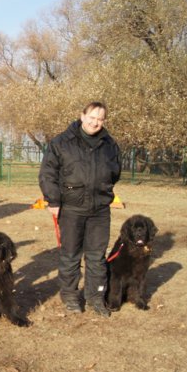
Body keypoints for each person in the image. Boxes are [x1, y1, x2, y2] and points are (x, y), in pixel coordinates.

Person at [38, 101, 121, 317]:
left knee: (96, 256)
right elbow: (48, 174)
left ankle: (95, 297)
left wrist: (102, 189)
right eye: (92, 117)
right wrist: (53, 201)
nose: (95, 122)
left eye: (100, 119)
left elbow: (115, 172)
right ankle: (70, 296)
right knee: (70, 255)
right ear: (82, 116)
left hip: (100, 210)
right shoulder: (61, 142)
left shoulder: (109, 145)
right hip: (71, 208)